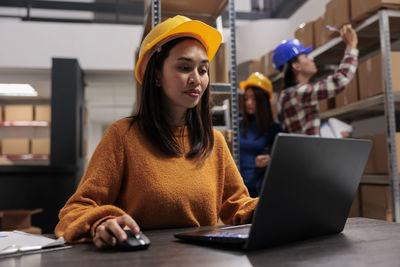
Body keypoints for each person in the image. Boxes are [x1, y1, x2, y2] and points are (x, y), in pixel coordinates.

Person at [54, 15, 258, 248]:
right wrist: (101, 222)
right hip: (141, 258)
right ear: (157, 75)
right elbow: (75, 210)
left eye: (203, 70)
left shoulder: (214, 141)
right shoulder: (122, 136)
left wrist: (270, 205)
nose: (197, 79)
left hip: (204, 259)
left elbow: (237, 204)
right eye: (184, 67)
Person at [272, 24, 358, 135]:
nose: (311, 59)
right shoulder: (296, 93)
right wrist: (351, 46)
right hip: (306, 152)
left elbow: (307, 131)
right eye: (306, 56)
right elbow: (339, 82)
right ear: (296, 66)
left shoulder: (287, 95)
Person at [239, 72, 281, 197]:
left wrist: (270, 159)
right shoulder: (237, 125)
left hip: (261, 189)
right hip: (239, 189)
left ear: (263, 100)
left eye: (253, 99)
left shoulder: (274, 128)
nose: (249, 103)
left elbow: (283, 161)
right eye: (246, 98)